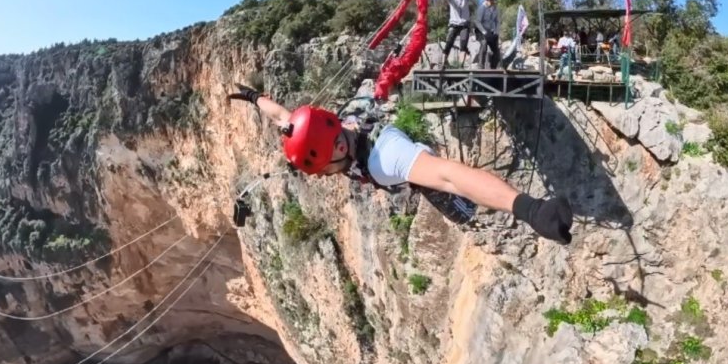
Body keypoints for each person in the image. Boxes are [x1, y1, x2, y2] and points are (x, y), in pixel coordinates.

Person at [228, 85, 574, 245]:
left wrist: (529, 209)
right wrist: (254, 98)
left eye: (323, 170)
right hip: (374, 145)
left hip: (404, 159)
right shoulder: (325, 130)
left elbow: (449, 175)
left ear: (334, 154)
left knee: (442, 187)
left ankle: (512, 211)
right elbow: (284, 117)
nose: (325, 176)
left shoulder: (385, 159)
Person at [437, 0, 473, 68]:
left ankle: (460, 66)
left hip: (464, 24)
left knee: (463, 45)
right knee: (448, 43)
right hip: (453, 24)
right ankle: (443, 65)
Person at [475, 0, 500, 69]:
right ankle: (480, 65)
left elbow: (496, 21)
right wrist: (484, 32)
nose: (488, 1)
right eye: (487, 0)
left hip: (490, 30)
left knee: (495, 48)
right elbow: (477, 22)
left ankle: (494, 66)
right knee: (484, 43)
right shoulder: (481, 8)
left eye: (489, 0)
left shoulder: (494, 8)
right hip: (480, 30)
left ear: (492, 0)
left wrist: (496, 32)